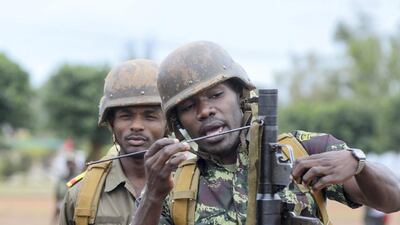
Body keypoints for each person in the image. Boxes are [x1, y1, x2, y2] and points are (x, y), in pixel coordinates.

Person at [132, 41, 400, 225]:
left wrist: (359, 165)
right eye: (189, 107)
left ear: (240, 95)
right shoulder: (172, 184)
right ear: (178, 122)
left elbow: (393, 200)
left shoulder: (303, 150)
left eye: (216, 95)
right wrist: (153, 195)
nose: (205, 111)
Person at [59, 59, 167, 225]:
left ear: (168, 123)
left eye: (150, 116)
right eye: (126, 116)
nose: (137, 126)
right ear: (111, 123)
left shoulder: (195, 185)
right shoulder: (82, 194)